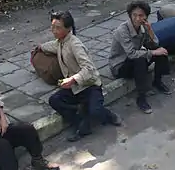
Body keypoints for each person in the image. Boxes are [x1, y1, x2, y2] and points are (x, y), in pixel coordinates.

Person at [40, 11, 122, 142]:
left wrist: (73, 79)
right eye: (52, 27)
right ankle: (80, 120)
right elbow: (51, 46)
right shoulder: (60, 42)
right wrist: (39, 48)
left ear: (68, 28)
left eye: (58, 27)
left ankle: (107, 114)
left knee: (96, 112)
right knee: (54, 100)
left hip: (89, 86)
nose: (54, 31)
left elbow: (90, 69)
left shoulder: (75, 45)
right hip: (74, 88)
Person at [109, 0, 171, 114]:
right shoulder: (122, 30)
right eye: (134, 15)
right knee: (140, 59)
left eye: (141, 15)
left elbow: (154, 45)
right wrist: (153, 53)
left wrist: (150, 31)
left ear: (146, 16)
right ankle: (141, 97)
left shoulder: (143, 27)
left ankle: (157, 81)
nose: (137, 18)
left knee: (161, 52)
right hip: (120, 66)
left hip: (134, 61)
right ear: (130, 15)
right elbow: (131, 53)